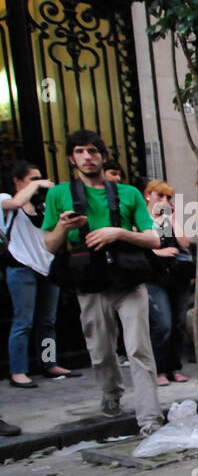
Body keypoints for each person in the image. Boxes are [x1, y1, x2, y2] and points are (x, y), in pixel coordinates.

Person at [42, 130, 164, 435]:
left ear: (102, 155)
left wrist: (117, 232)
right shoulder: (58, 194)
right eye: (80, 151)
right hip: (89, 282)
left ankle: (150, 419)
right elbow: (49, 246)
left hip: (128, 279)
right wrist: (62, 226)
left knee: (138, 348)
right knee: (101, 349)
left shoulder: (129, 193)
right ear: (71, 158)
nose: (87, 157)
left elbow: (153, 238)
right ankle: (111, 393)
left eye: (93, 151)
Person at [4, 160, 80, 387]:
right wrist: (38, 186)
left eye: (40, 178)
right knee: (23, 322)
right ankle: (18, 371)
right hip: (21, 268)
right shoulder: (5, 200)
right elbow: (16, 203)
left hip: (47, 268)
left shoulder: (45, 206)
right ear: (18, 181)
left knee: (48, 321)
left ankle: (49, 363)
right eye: (33, 178)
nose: (39, 183)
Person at [142, 180, 192, 385]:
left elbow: (185, 242)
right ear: (148, 196)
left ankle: (175, 367)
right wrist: (158, 251)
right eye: (159, 196)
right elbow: (139, 243)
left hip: (176, 276)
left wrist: (173, 217)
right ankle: (159, 369)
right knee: (163, 324)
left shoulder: (168, 219)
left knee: (178, 323)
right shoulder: (142, 218)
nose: (164, 200)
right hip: (154, 276)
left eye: (168, 197)